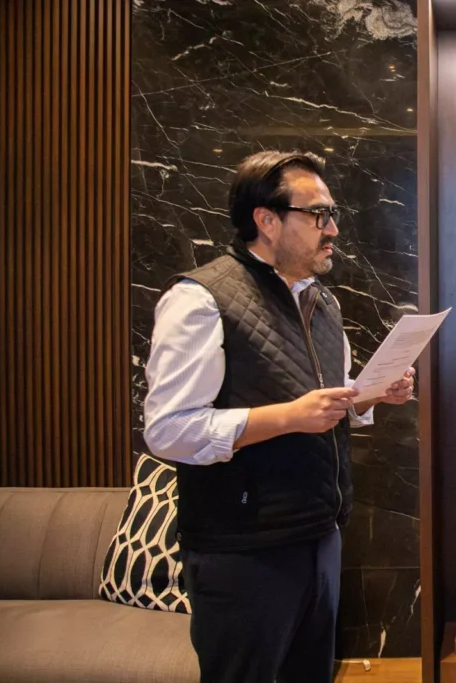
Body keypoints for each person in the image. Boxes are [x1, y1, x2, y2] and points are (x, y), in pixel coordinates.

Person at [143, 150, 415, 683]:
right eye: (318, 215)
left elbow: (326, 402)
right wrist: (288, 417)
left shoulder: (323, 302)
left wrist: (369, 398)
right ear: (267, 220)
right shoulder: (199, 300)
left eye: (332, 214)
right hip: (244, 551)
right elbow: (168, 431)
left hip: (320, 535)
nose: (332, 229)